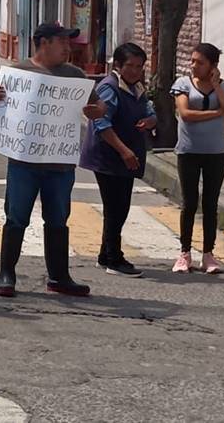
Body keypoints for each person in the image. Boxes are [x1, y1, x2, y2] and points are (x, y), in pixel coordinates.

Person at [0, 22, 106, 298]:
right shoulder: (17, 73)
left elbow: (99, 107)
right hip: (23, 163)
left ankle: (59, 277)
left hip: (60, 165)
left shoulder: (74, 76)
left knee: (58, 220)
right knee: (16, 218)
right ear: (44, 43)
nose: (68, 47)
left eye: (68, 42)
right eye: (62, 41)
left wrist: (95, 110)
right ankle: (7, 274)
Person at [80, 43, 157, 278]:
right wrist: (123, 150)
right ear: (118, 66)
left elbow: (148, 110)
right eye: (130, 66)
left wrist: (151, 121)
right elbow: (101, 123)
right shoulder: (109, 88)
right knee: (115, 207)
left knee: (119, 207)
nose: (135, 71)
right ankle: (114, 258)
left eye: (139, 67)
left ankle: (107, 254)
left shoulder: (137, 88)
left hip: (127, 156)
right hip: (109, 157)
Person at [170, 43, 224, 274]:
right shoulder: (183, 84)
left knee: (211, 204)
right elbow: (186, 114)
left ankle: (208, 254)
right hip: (188, 151)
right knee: (189, 203)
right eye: (193, 61)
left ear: (212, 66)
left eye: (200, 62)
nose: (194, 66)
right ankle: (184, 253)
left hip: (216, 153)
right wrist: (216, 113)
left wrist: (217, 86)